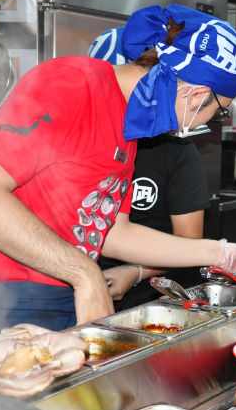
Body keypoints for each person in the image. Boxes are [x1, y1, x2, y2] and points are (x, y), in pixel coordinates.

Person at [0, 4, 236, 331]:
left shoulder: (129, 123)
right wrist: (84, 274)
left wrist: (219, 253)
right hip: (10, 300)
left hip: (67, 290)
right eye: (219, 112)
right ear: (197, 94)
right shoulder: (70, 83)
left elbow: (112, 232)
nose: (211, 122)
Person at [88, 26, 210, 309]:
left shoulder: (175, 149)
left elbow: (188, 241)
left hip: (149, 299)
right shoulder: (88, 138)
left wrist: (136, 272)